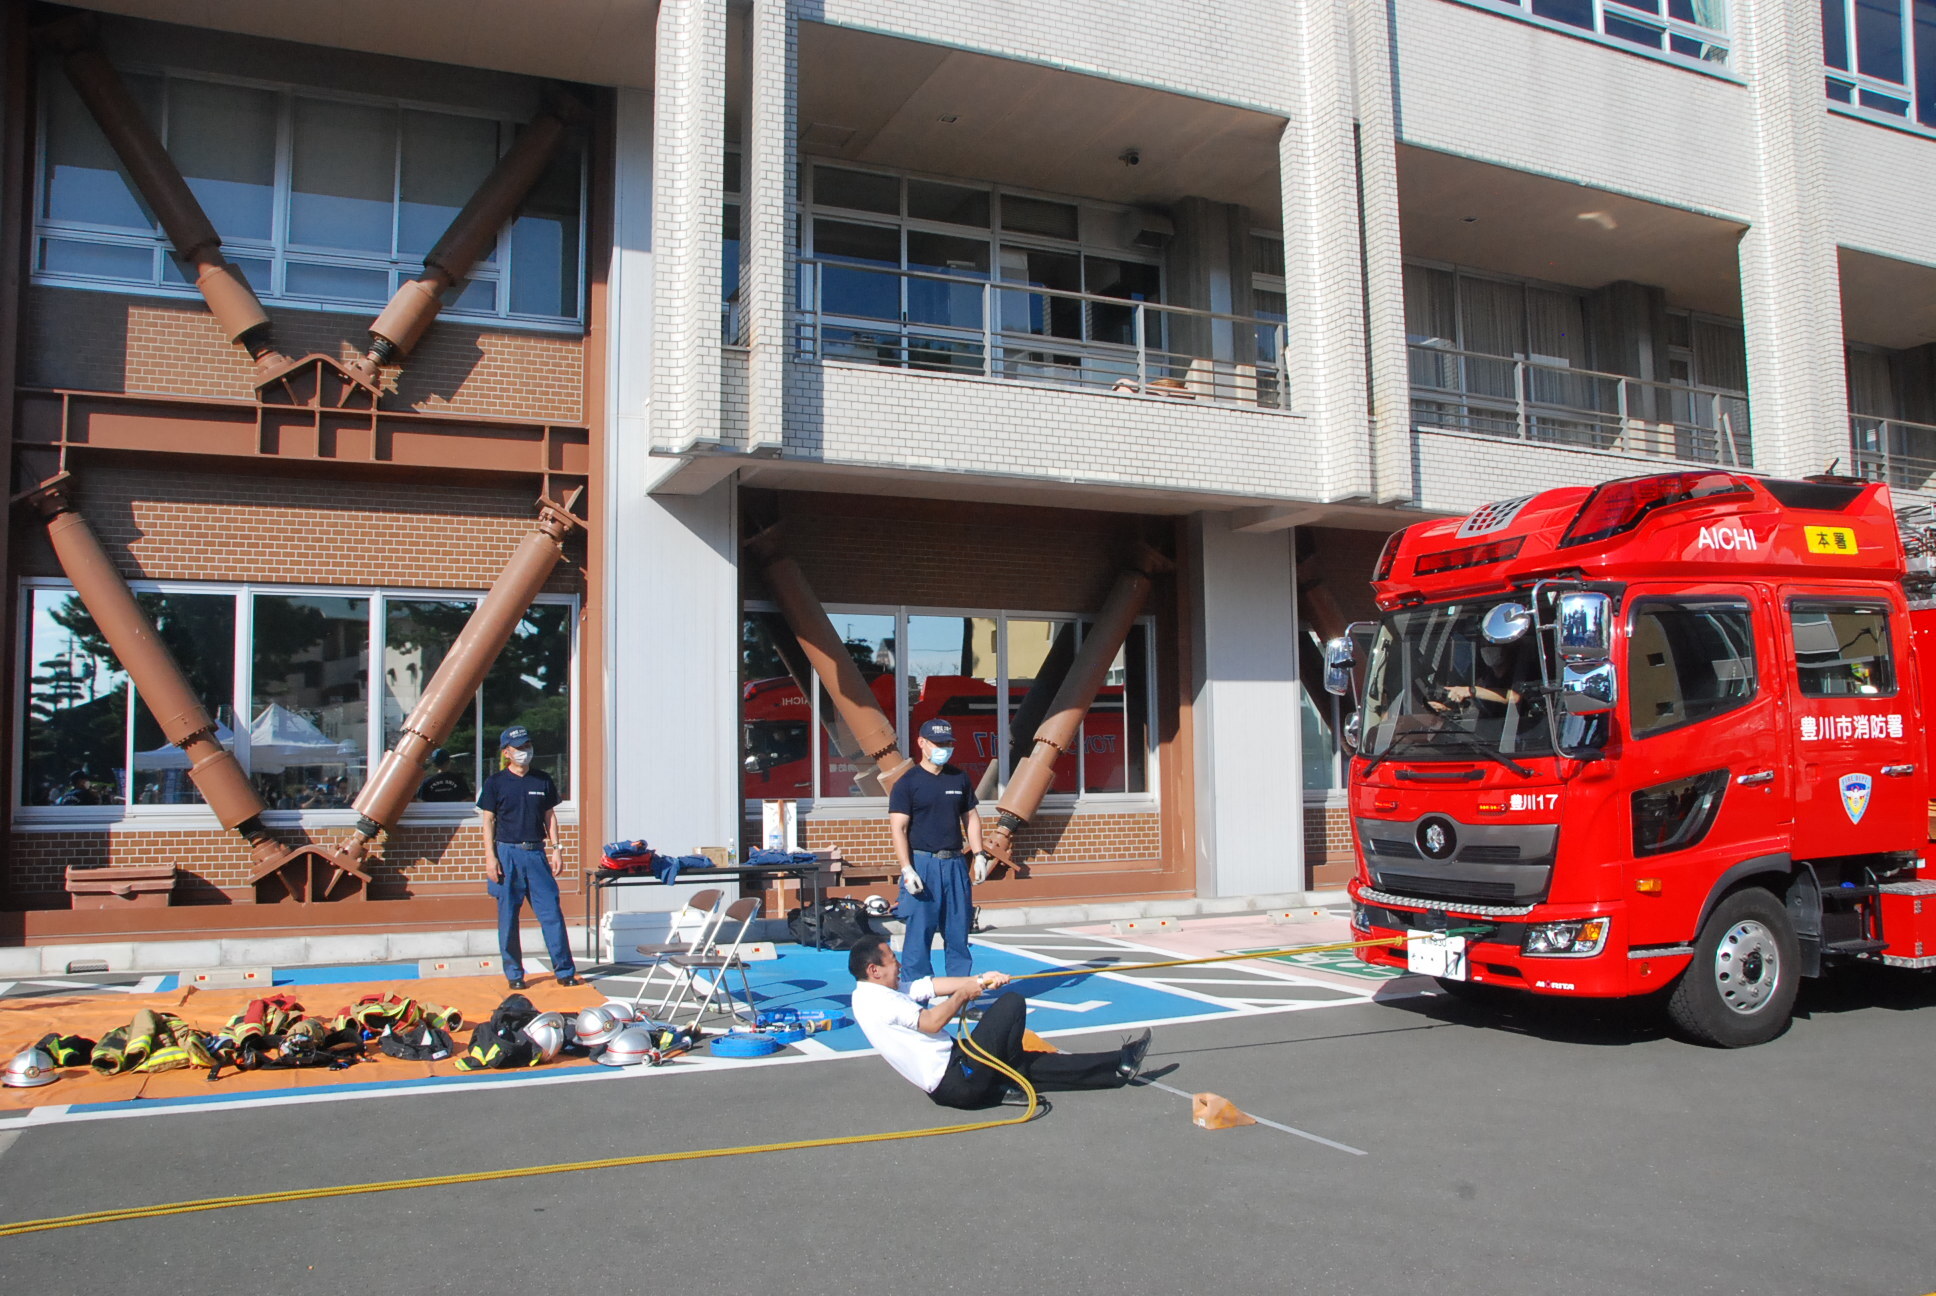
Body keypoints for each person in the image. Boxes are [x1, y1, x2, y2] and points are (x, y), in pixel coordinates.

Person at [848, 934, 1151, 1109]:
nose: (899, 964)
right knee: (1011, 1003)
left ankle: (1117, 1066)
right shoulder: (879, 1001)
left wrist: (980, 979)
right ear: (875, 970)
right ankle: (1004, 1076)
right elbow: (930, 1023)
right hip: (955, 1080)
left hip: (956, 1068)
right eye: (892, 960)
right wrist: (963, 996)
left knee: (1030, 1066)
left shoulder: (874, 990)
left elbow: (929, 986)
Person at [476, 725, 578, 991]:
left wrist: (557, 849)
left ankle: (565, 970)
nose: (525, 752)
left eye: (527, 746)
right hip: (506, 853)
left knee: (551, 913)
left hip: (536, 853)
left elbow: (550, 816)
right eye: (519, 748)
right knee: (508, 917)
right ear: (507, 752)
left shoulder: (542, 780)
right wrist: (490, 858)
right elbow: (487, 820)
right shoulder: (495, 783)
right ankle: (514, 974)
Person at [889, 718, 986, 990]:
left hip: (954, 864)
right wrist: (907, 869)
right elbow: (899, 828)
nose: (944, 748)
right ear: (922, 743)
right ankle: (917, 992)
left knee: (958, 934)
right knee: (919, 935)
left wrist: (979, 855)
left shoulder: (959, 778)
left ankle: (960, 994)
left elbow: (972, 818)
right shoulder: (907, 783)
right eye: (938, 743)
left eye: (948, 743)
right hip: (923, 863)